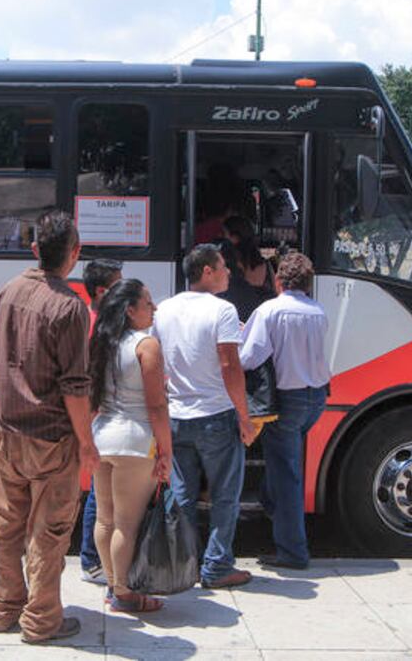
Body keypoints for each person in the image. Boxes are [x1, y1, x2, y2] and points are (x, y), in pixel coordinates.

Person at [0, 209, 100, 645]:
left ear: (34, 250)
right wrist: (87, 443)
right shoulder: (70, 307)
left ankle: (3, 609)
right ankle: (42, 620)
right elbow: (74, 386)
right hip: (53, 440)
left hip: (8, 435)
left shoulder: (7, 293)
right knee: (48, 535)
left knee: (6, 527)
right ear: (75, 254)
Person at [152, 243, 257, 589]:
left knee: (182, 495)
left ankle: (183, 564)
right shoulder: (223, 310)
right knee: (225, 495)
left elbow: (155, 362)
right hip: (216, 415)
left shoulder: (164, 309)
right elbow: (229, 365)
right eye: (223, 266)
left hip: (176, 416)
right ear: (207, 272)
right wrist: (245, 416)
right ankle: (217, 566)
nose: (229, 272)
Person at [239, 252, 330, 570]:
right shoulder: (318, 311)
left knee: (287, 474)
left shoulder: (270, 311)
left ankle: (292, 552)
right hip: (316, 398)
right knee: (284, 467)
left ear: (278, 281)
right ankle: (270, 501)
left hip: (286, 400)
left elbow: (249, 358)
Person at [89, 279, 173, 613]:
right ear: (130, 310)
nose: (153, 309)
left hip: (102, 437)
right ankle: (123, 593)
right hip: (135, 442)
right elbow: (157, 406)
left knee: (105, 520)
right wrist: (166, 450)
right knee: (127, 523)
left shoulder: (103, 343)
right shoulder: (146, 345)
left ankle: (113, 585)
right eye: (148, 303)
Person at [78, 258, 124, 585]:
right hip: (98, 415)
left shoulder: (93, 319)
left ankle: (94, 559)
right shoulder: (98, 323)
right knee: (99, 492)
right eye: (118, 285)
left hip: (97, 414)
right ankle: (92, 560)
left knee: (101, 491)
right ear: (102, 290)